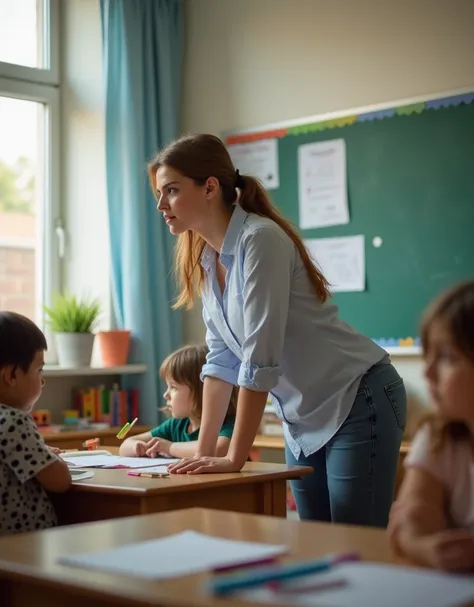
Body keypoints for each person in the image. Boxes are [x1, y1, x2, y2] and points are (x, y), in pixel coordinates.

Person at [148, 133, 407, 527]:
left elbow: (259, 358)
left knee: (355, 544)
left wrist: (235, 456)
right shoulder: (207, 258)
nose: (161, 205)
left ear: (210, 188)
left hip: (357, 396)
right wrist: (204, 454)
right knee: (316, 543)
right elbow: (221, 359)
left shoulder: (260, 240)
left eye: (171, 190)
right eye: (158, 193)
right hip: (301, 416)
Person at [388, 281, 474, 572]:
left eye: (448, 357)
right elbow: (410, 519)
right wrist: (426, 548)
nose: (427, 372)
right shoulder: (439, 436)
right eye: (428, 354)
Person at [0, 311, 71, 535]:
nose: (42, 380)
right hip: (23, 545)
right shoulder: (14, 421)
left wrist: (38, 451)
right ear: (11, 375)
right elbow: (59, 481)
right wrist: (53, 459)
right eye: (39, 369)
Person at [120, 344, 236, 458]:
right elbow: (125, 446)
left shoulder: (229, 423)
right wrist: (137, 446)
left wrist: (169, 448)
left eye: (173, 387)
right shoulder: (176, 425)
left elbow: (219, 449)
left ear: (202, 391)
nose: (166, 395)